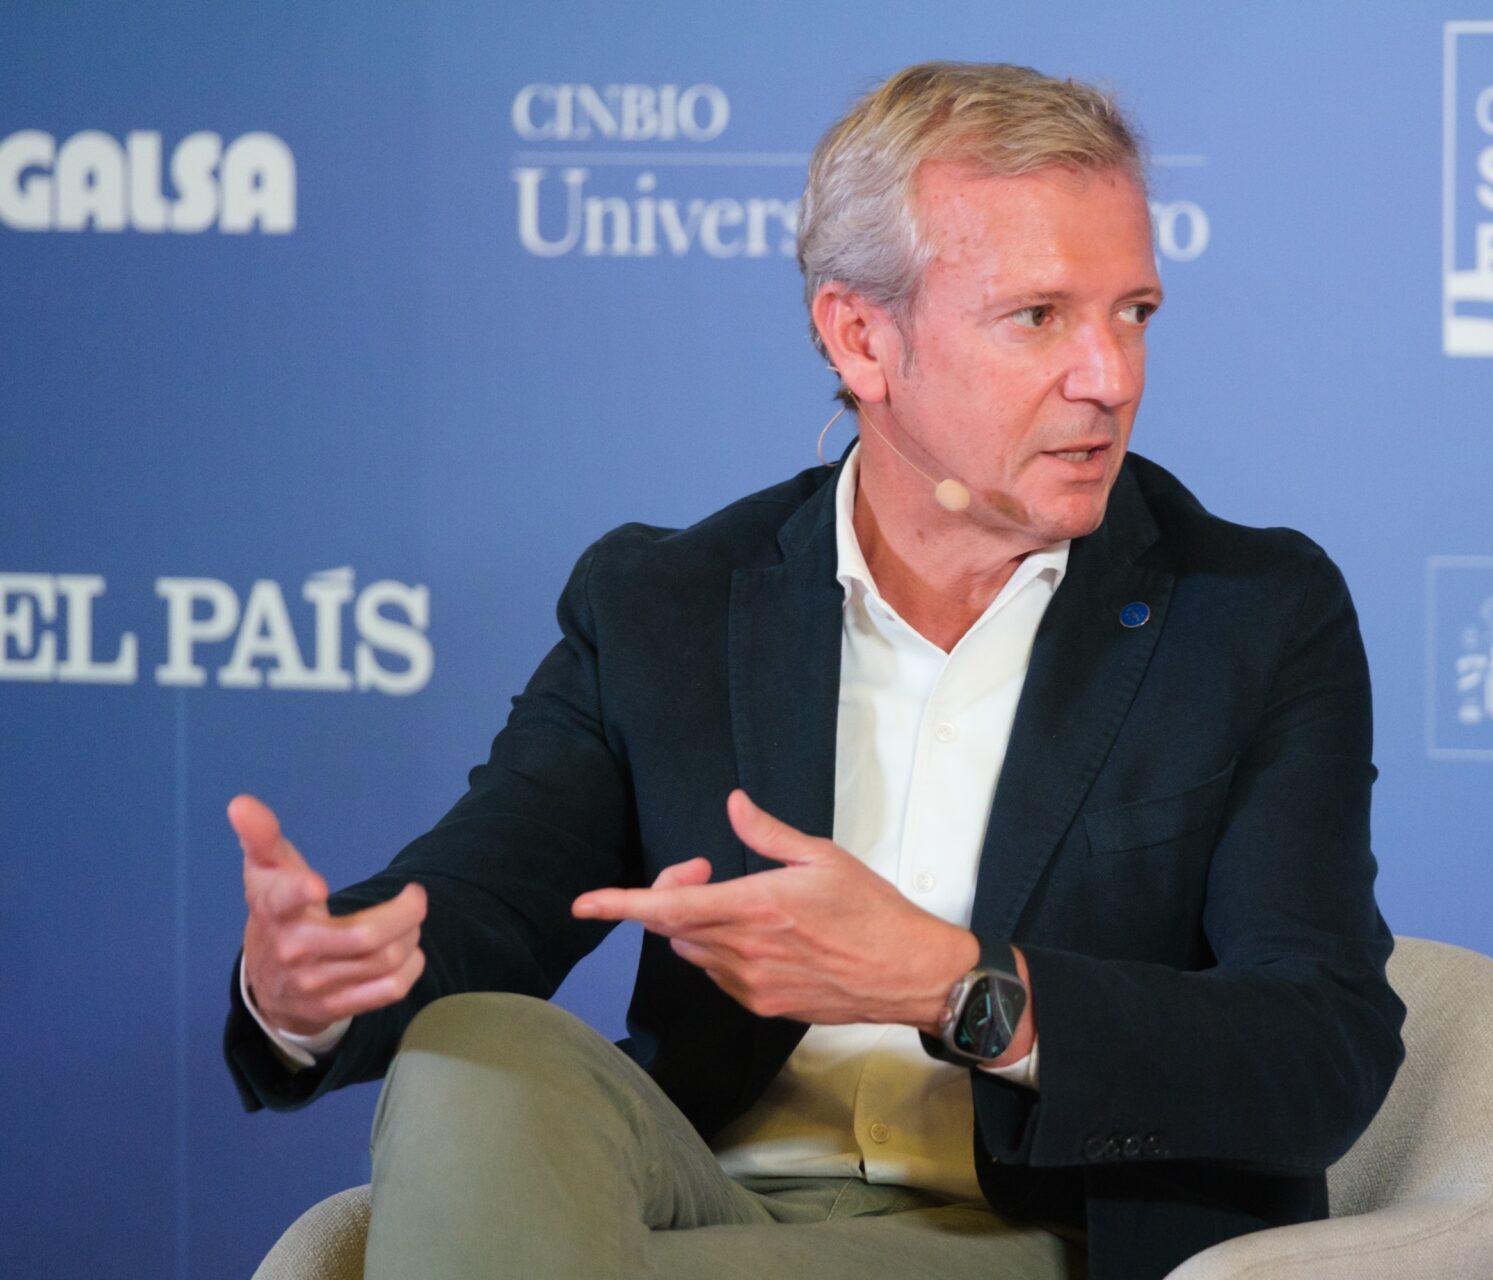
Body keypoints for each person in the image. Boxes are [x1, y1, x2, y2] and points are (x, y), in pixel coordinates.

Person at [225, 61, 1405, 1280]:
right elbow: (483, 897)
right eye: (1040, 317)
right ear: (862, 337)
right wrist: (312, 986)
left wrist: (959, 985)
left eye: (1134, 312)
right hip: (702, 1195)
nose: (1111, 375)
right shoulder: (668, 603)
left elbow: (1324, 1043)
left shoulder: (1251, 614)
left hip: (1034, 1229)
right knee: (471, 1048)